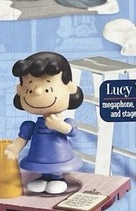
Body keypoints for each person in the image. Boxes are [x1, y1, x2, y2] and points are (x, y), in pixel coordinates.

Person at [6, 51, 83, 195]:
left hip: (60, 157)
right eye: (29, 89)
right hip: (38, 157)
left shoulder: (64, 121)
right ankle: (44, 177)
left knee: (56, 170)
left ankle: (58, 178)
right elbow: (23, 138)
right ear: (19, 90)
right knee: (42, 171)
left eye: (48, 88)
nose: (38, 91)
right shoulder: (30, 125)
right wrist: (15, 148)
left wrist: (60, 126)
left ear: (70, 88)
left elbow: (72, 130)